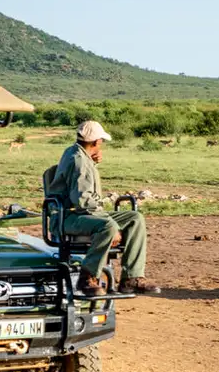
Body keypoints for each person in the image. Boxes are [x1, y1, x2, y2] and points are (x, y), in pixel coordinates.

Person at [47, 120, 159, 296]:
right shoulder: (80, 162)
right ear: (96, 142)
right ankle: (87, 277)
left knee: (135, 219)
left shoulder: (76, 153)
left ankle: (131, 278)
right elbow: (82, 201)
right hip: (67, 217)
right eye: (101, 140)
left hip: (76, 213)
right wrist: (108, 220)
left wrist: (93, 162)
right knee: (108, 226)